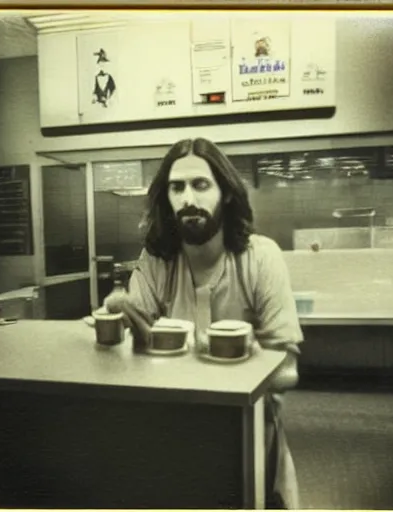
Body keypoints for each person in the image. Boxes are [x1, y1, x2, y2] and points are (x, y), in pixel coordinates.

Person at [104, 137, 304, 509]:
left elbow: (288, 370)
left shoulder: (260, 258)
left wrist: (244, 356)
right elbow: (136, 359)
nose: (188, 200)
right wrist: (120, 319)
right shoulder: (156, 261)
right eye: (176, 187)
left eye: (200, 185)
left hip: (250, 436)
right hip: (177, 437)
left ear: (225, 193)